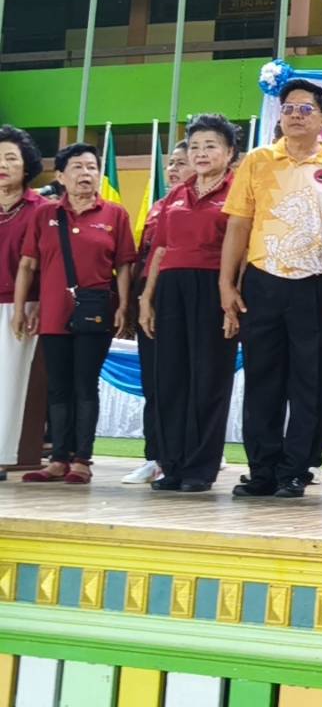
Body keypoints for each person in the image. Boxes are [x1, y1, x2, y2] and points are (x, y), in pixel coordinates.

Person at [220, 79, 322, 499]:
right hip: (263, 281)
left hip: (317, 285)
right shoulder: (258, 161)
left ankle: (298, 469)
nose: (296, 115)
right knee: (262, 379)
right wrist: (226, 284)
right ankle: (261, 470)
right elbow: (238, 225)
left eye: (305, 109)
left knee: (309, 381)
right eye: (289, 109)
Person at [14, 144, 137, 483]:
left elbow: (125, 266)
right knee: (58, 387)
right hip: (53, 314)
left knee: (85, 385)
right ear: (60, 176)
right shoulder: (44, 215)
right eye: (78, 167)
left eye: (92, 167)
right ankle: (57, 459)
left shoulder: (115, 214)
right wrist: (20, 309)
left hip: (95, 314)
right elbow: (28, 265)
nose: (86, 174)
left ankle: (82, 459)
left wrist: (123, 307)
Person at [138, 117, 240, 492]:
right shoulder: (176, 195)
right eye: (195, 146)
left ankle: (200, 468)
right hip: (170, 290)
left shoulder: (238, 192)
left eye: (210, 145)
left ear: (229, 153)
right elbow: (160, 249)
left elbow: (241, 252)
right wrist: (147, 299)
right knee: (170, 378)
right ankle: (172, 465)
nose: (201, 153)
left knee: (209, 378)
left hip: (213, 286)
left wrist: (232, 299)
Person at [123, 140, 190, 486]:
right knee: (153, 381)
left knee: (183, 380)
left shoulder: (199, 208)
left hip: (183, 294)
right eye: (171, 163)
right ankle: (156, 456)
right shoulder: (157, 208)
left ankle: (187, 452)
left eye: (181, 162)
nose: (173, 169)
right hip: (149, 296)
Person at [0, 125, 46, 481]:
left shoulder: (42, 209)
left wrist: (40, 305)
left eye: (10, 158)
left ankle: (6, 455)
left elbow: (49, 263)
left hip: (22, 306)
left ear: (26, 165)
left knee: (11, 383)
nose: (2, 165)